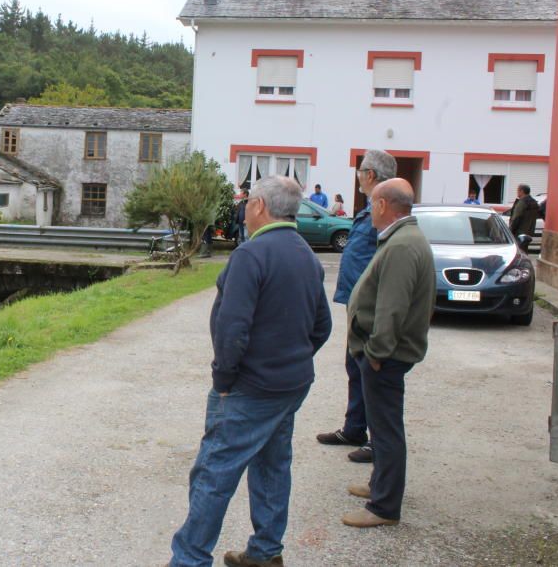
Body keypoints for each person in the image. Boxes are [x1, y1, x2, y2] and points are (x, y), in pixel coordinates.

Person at [168, 176, 332, 567]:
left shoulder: (251, 254)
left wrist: (225, 380)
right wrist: (290, 358)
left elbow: (232, 328)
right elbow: (322, 326)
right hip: (290, 383)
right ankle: (265, 552)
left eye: (247, 202)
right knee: (273, 465)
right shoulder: (306, 254)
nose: (244, 208)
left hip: (249, 388)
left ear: (259, 206)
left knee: (214, 473)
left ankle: (189, 560)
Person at [342, 178, 435, 528]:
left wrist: (376, 353)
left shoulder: (402, 245)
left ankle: (384, 507)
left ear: (382, 205)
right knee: (383, 427)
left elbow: (391, 309)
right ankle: (378, 486)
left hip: (386, 356)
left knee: (385, 430)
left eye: (371, 204)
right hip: (386, 353)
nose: (368, 213)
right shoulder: (403, 239)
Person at [316, 149, 397, 465]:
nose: (358, 175)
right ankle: (354, 429)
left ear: (371, 175)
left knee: (373, 373)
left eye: (360, 170)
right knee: (355, 367)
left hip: (371, 308)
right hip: (357, 303)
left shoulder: (384, 209)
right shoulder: (370, 208)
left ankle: (378, 442)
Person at [509, 183, 540, 253]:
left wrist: (510, 231)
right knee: (524, 250)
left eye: (518, 190)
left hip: (519, 232)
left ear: (522, 191)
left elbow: (516, 217)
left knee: (518, 251)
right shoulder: (534, 202)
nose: (517, 192)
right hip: (529, 232)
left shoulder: (522, 202)